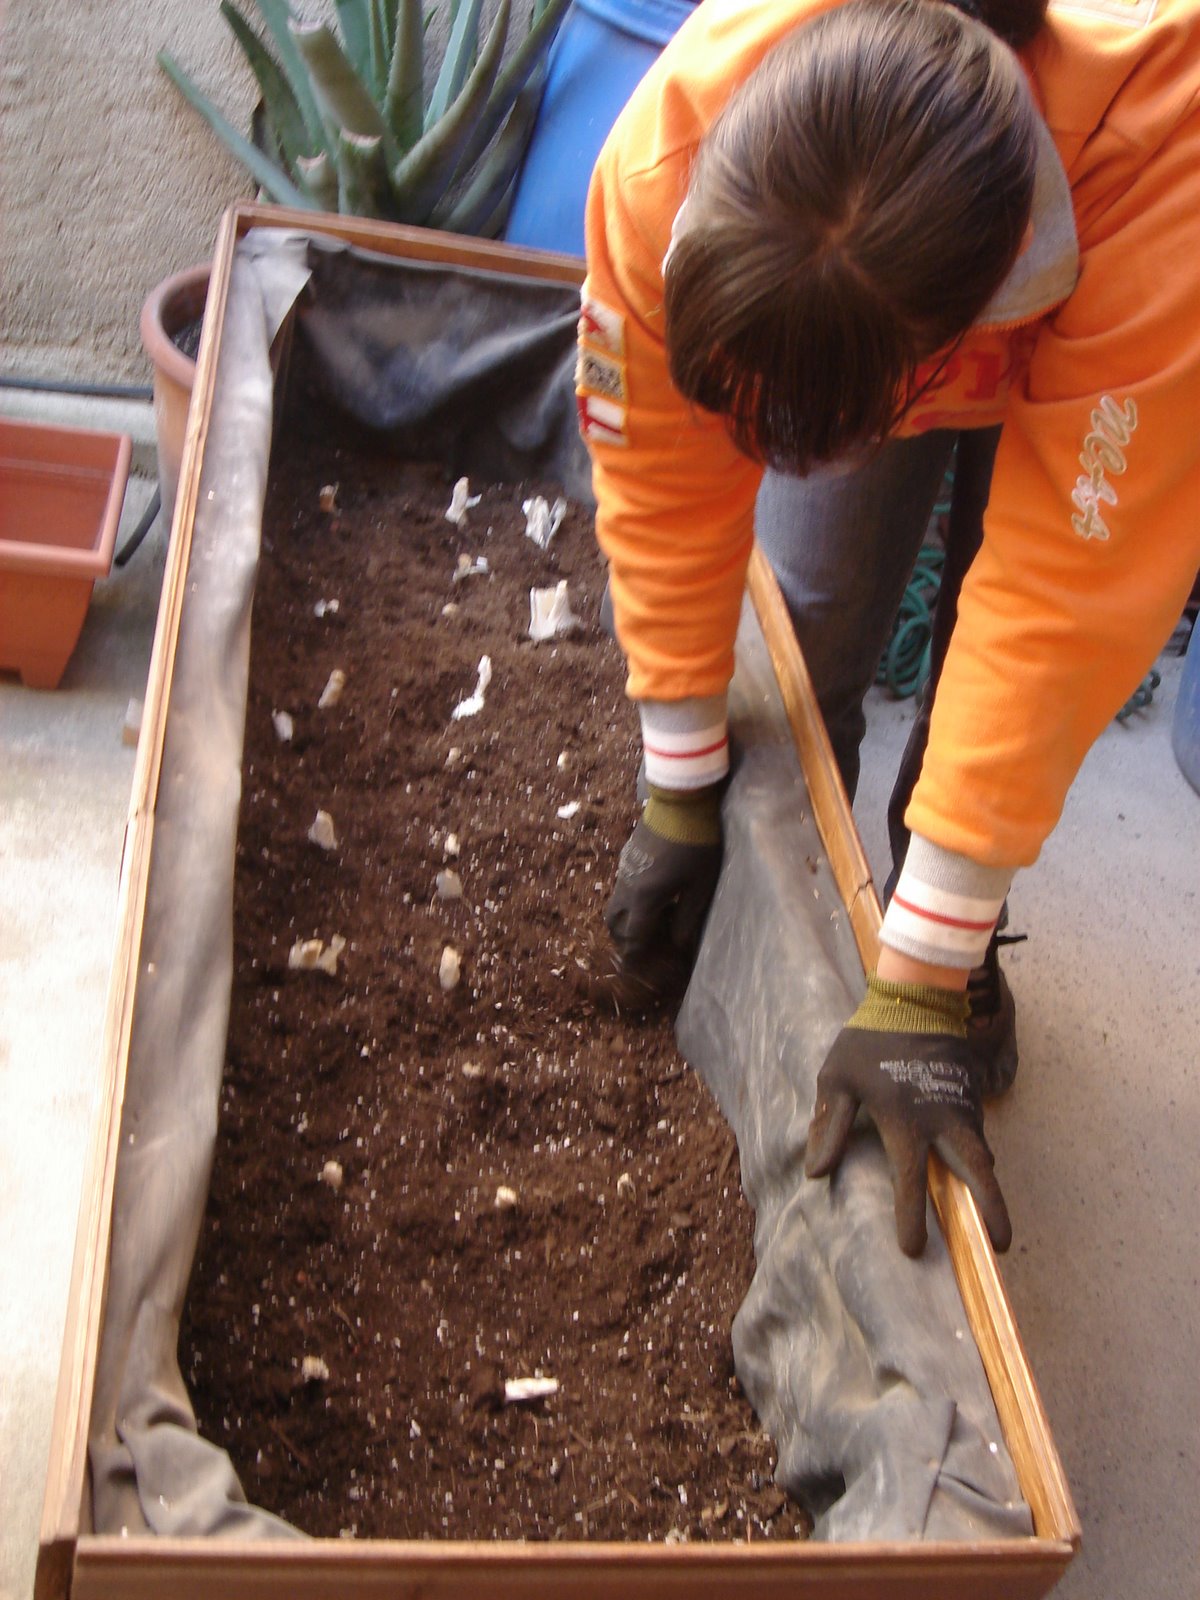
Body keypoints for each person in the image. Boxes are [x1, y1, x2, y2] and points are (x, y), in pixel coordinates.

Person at [576, 0, 1200, 1255]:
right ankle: (806, 901)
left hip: (1106, 244)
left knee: (991, 617)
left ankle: (937, 909)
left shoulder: (1158, 158)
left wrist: (929, 965)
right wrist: (680, 780)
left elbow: (1063, 595)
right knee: (811, 620)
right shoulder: (662, 166)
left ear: (950, 347)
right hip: (889, 278)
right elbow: (660, 475)